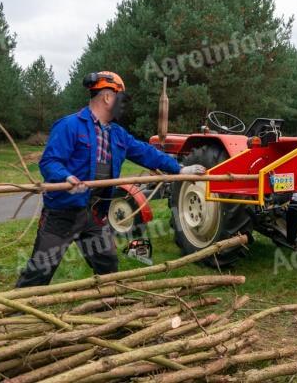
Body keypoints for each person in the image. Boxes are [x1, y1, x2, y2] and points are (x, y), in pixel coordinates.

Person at [15, 71, 205, 287]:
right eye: (120, 100)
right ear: (107, 97)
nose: (122, 106)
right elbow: (49, 162)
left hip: (94, 214)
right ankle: (15, 313)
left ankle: (107, 305)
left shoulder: (117, 134)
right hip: (62, 213)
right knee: (40, 269)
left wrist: (179, 170)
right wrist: (66, 177)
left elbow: (146, 152)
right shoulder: (69, 126)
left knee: (108, 264)